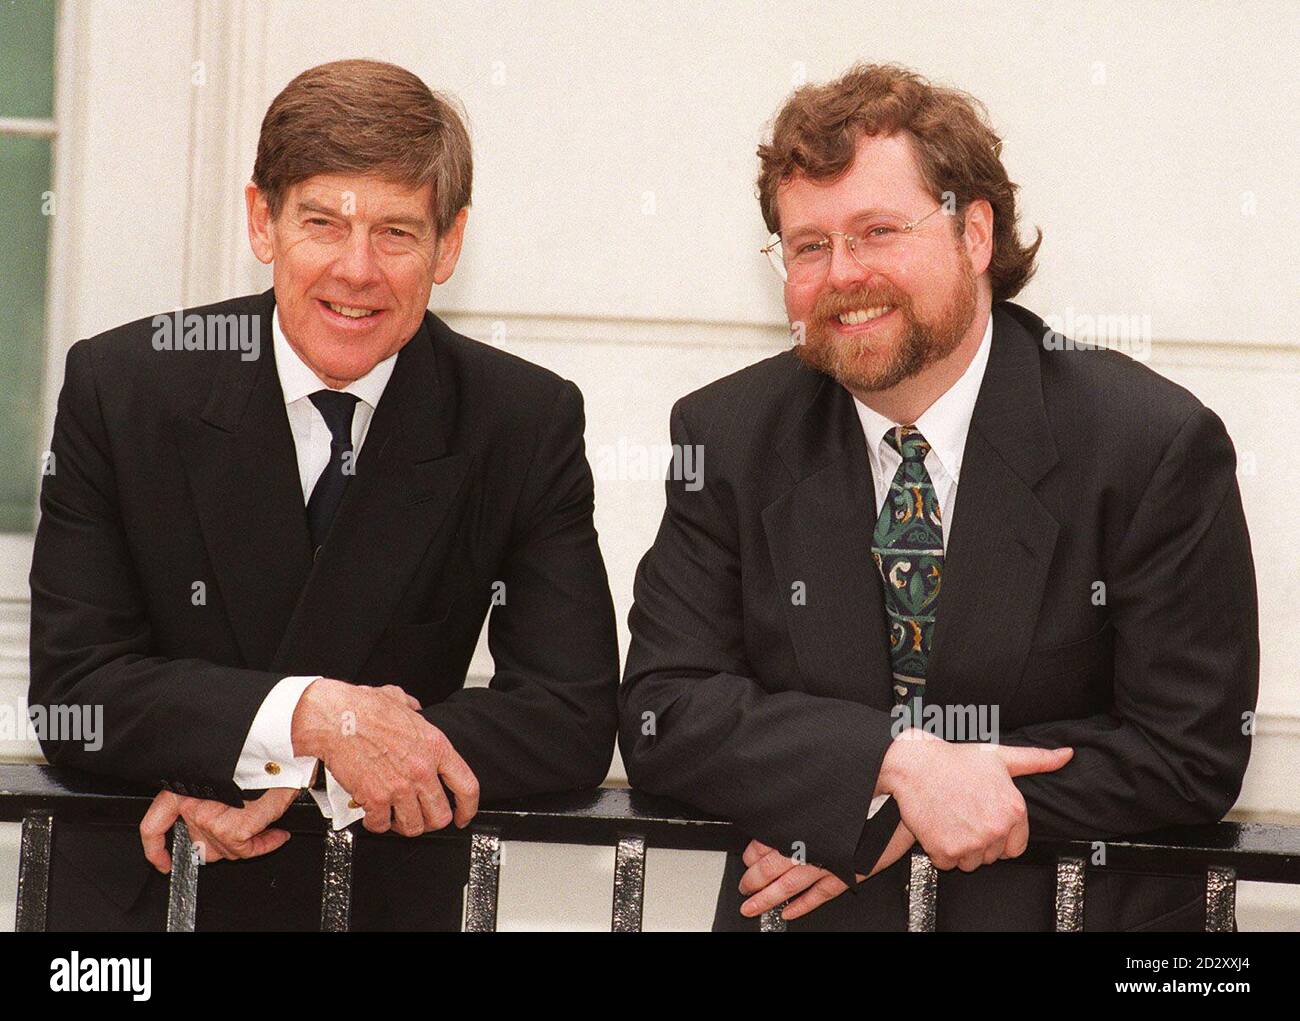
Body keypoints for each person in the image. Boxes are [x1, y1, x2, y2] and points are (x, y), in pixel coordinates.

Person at [618, 63, 1259, 931]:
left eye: (878, 231)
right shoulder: (729, 435)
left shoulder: (1150, 445)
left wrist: (903, 818)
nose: (843, 274)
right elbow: (663, 710)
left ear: (975, 234)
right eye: (809, 245)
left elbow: (1189, 750)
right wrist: (895, 766)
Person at [29, 59, 619, 930]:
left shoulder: (521, 420)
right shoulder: (124, 388)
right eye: (322, 222)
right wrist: (313, 715)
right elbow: (74, 691)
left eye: (396, 232)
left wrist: (301, 766)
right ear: (261, 220)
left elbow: (568, 714)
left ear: (449, 245)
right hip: (141, 906)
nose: (357, 270)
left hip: (375, 896)